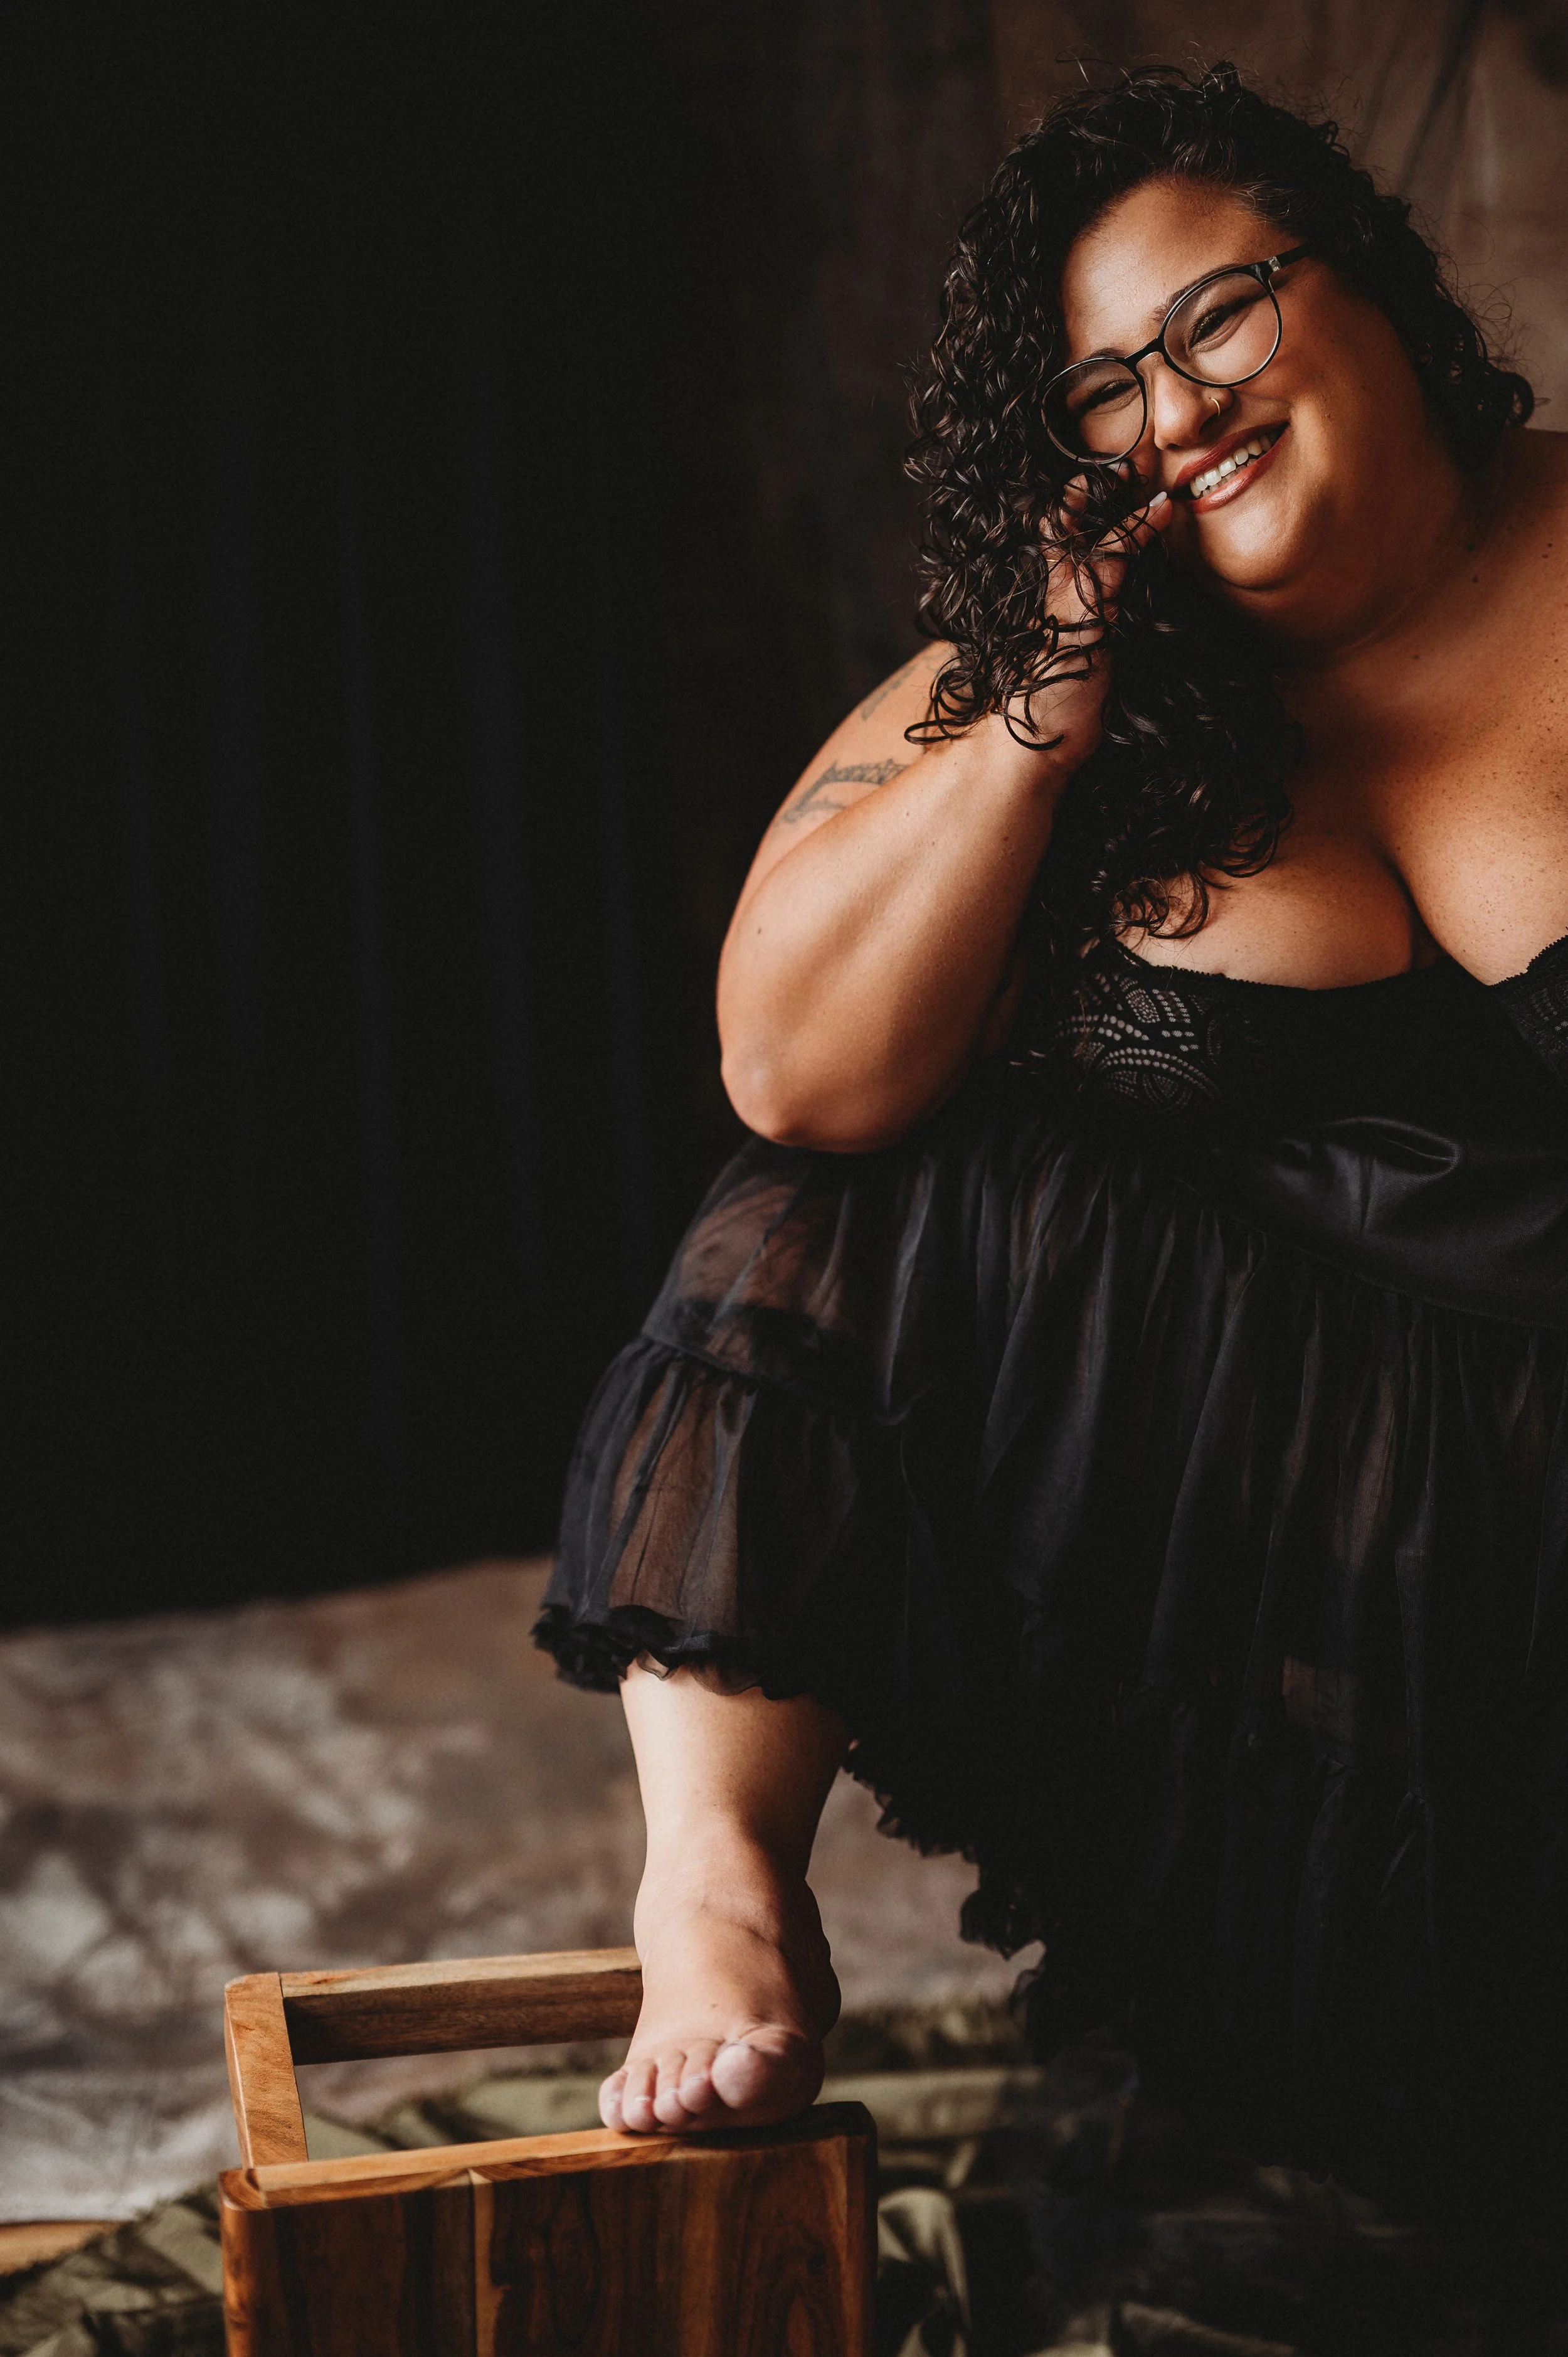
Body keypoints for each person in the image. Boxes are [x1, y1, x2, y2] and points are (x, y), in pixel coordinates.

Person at [535, 63, 1568, 2208]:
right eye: (1102, 388)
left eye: (1213, 318)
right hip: (1303, 1577)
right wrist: (1042, 714)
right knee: (877, 1159)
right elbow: (789, 1072)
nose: (1171, 408)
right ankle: (719, 1878)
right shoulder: (1068, 671)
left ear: (1369, 282)